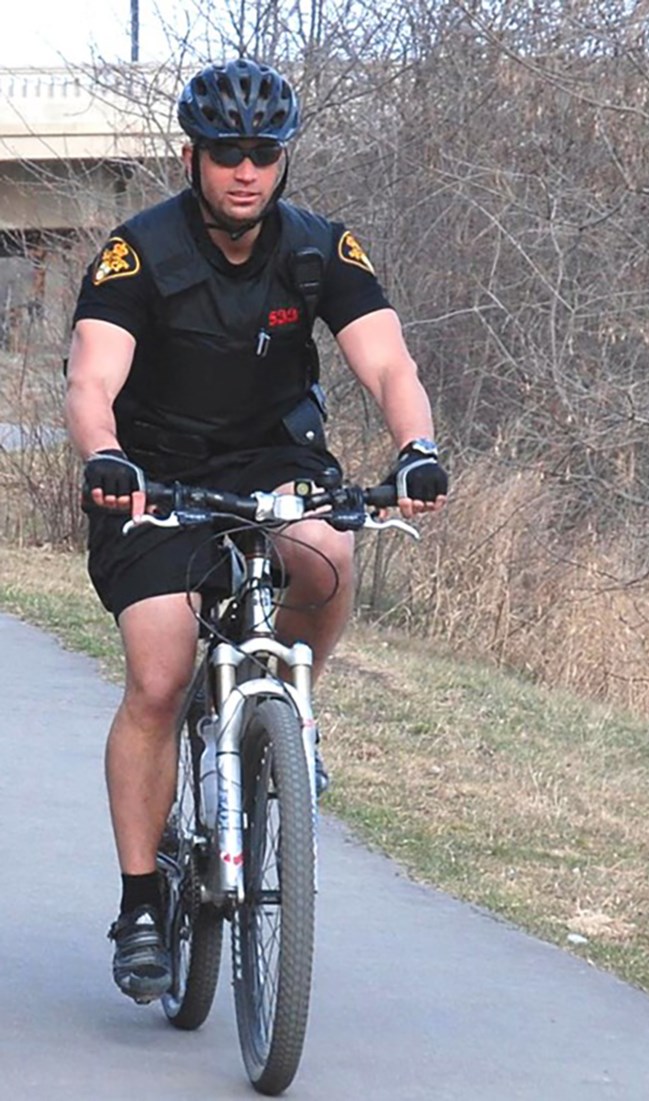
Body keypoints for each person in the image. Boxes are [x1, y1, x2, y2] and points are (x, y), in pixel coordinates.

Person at [64, 58, 448, 1005]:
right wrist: (106, 456)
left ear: (284, 159)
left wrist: (417, 446)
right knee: (158, 673)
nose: (246, 170)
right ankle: (142, 903)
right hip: (152, 479)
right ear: (192, 155)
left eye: (264, 154)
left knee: (329, 552)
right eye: (227, 152)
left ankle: (289, 706)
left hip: (276, 460)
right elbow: (91, 379)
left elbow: (390, 364)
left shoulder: (320, 249)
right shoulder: (138, 251)